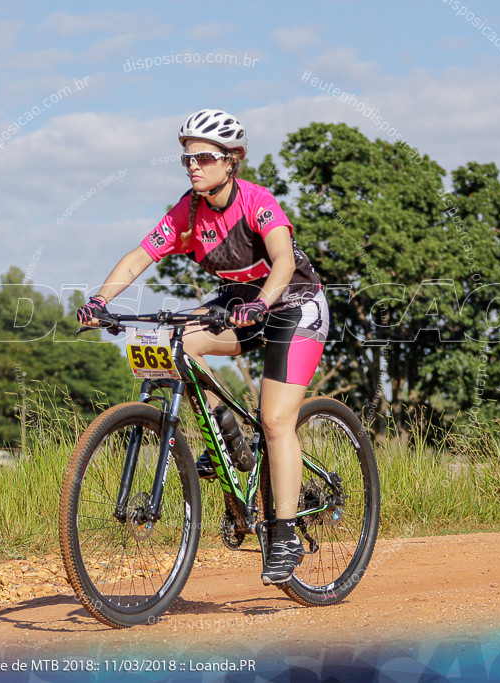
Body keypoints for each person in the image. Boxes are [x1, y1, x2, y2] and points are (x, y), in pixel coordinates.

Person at [76, 109, 329, 585]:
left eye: (205, 157)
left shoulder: (258, 201)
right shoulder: (187, 212)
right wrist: (99, 299)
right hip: (238, 306)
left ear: (232, 160)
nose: (193, 165)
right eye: (187, 157)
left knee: (276, 420)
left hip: (294, 305)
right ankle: (226, 438)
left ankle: (286, 532)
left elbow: (280, 261)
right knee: (176, 345)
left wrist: (263, 304)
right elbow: (139, 257)